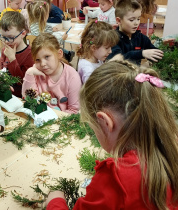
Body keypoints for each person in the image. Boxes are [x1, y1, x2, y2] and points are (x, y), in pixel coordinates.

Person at [46, 60, 178, 209]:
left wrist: (55, 201)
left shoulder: (116, 178)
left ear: (105, 122)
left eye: (93, 127)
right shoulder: (172, 145)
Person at [22, 33, 82, 114]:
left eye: (47, 57)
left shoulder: (72, 77)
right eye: (37, 60)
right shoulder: (35, 71)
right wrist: (29, 73)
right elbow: (28, 99)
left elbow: (74, 110)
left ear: (59, 54)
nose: (42, 64)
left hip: (61, 122)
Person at [107, 0, 164, 65]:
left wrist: (164, 49)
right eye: (131, 20)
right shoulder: (113, 38)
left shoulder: (141, 38)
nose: (136, 23)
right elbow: (117, 59)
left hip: (136, 73)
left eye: (138, 19)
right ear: (119, 20)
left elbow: (154, 52)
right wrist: (142, 53)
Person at [0, 11, 34, 98]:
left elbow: (22, 82)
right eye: (3, 37)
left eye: (10, 38)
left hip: (21, 98)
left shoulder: (29, 55)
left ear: (23, 33)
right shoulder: (5, 49)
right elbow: (2, 71)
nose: (6, 41)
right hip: (6, 95)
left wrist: (12, 60)